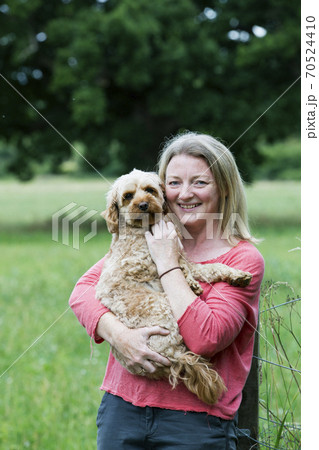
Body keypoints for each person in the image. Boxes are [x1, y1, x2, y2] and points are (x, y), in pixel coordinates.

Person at [69, 131, 265, 449]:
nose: (184, 194)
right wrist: (121, 337)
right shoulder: (142, 237)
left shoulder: (242, 259)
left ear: (224, 189)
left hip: (197, 423)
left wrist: (168, 264)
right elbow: (82, 292)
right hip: (123, 409)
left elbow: (207, 337)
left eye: (199, 182)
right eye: (174, 183)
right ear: (163, 189)